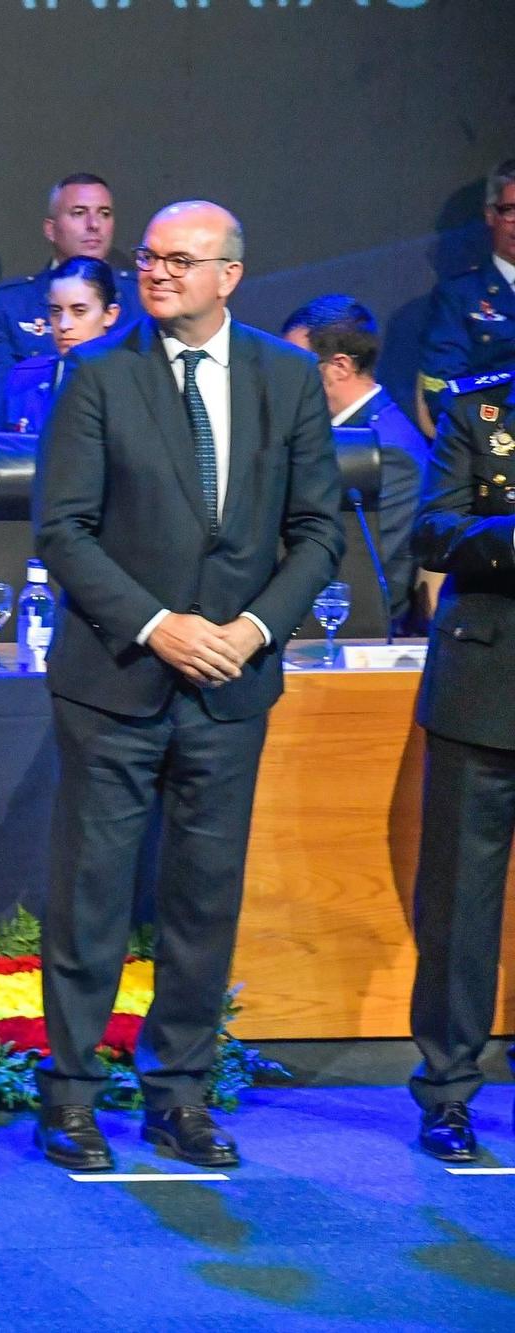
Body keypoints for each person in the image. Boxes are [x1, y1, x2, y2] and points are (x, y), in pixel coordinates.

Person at [33, 201, 344, 1172]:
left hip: (230, 688)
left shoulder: (286, 377)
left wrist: (252, 631)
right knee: (90, 897)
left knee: (202, 902)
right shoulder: (94, 374)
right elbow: (61, 531)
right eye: (148, 259)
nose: (155, 273)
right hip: (115, 680)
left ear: (228, 275)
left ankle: (178, 1096)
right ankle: (72, 1100)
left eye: (179, 260)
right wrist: (158, 624)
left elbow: (319, 532)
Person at [400, 363, 515, 1163]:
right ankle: (447, 1090)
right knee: (460, 905)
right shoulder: (480, 407)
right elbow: (433, 528)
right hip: (487, 681)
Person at [282, 295, 432, 631]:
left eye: (294, 364)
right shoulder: (352, 432)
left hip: (352, 634)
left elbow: (362, 565)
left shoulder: (388, 449)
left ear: (339, 367)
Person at [0, 173, 142, 428]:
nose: (94, 224)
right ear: (50, 229)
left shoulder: (141, 296)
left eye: (104, 213)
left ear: (111, 313)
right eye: (78, 212)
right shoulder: (11, 303)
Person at [418, 158, 515, 432]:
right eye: (511, 211)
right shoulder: (459, 295)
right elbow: (444, 388)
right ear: (490, 215)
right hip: (496, 443)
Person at [0, 257, 122, 434]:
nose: (64, 325)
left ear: (110, 314)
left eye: (79, 311)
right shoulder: (25, 377)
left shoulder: (133, 382)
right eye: (56, 311)